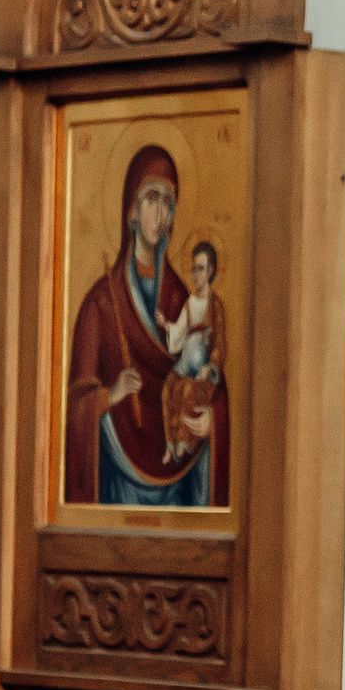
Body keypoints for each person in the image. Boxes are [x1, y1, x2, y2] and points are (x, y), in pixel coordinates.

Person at [63, 146, 228, 507]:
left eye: (169, 203)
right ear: (132, 211)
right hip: (118, 487)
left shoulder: (185, 300)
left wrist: (212, 421)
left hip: (179, 487)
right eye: (152, 198)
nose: (160, 213)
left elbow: (212, 375)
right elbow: (73, 405)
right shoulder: (100, 303)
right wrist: (112, 396)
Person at [160, 240, 225, 464]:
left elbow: (219, 343)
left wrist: (210, 368)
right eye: (194, 269)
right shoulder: (190, 302)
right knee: (168, 387)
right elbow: (180, 330)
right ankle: (170, 445)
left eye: (201, 269)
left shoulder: (215, 304)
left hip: (203, 369)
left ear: (210, 271)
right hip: (186, 359)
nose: (196, 274)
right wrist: (166, 325)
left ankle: (183, 442)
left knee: (188, 389)